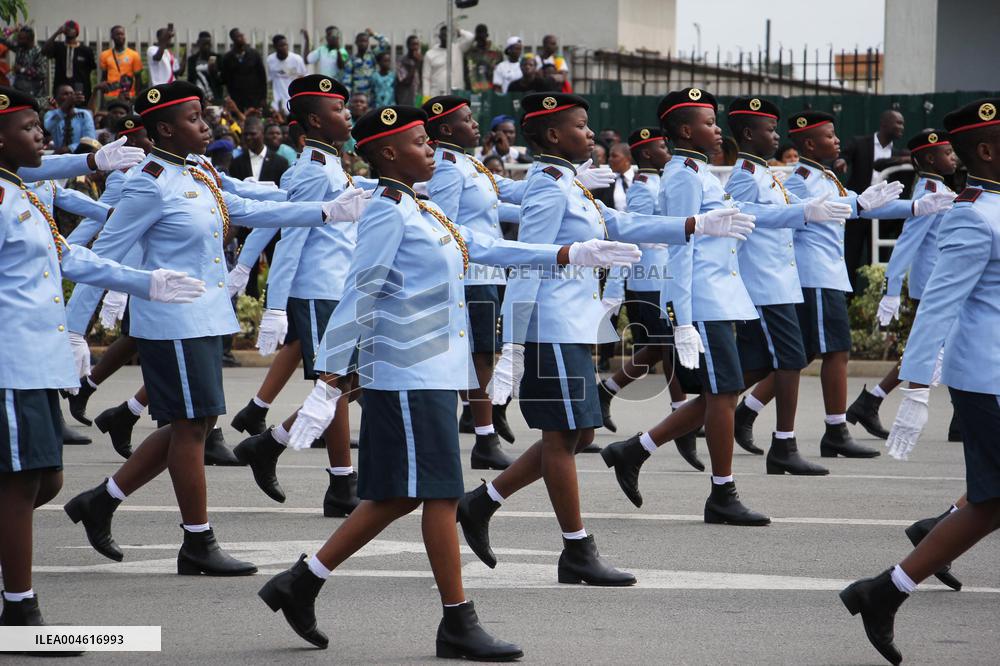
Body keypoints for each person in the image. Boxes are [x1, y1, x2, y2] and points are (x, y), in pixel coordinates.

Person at [256, 102, 637, 660]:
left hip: (431, 370)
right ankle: (457, 621)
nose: (432, 148)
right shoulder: (389, 210)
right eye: (420, 142)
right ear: (388, 153)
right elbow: (359, 291)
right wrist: (328, 381)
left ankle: (302, 581)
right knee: (437, 496)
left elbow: (483, 247)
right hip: (407, 371)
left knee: (395, 498)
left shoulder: (423, 207)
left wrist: (568, 250)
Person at [61, 80, 368, 576]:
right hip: (171, 322)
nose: (207, 126)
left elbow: (247, 209)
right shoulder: (149, 181)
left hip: (205, 318)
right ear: (164, 129)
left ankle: (102, 500)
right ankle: (197, 542)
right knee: (189, 429)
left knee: (197, 424)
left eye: (205, 117)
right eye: (194, 120)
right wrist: (84, 324)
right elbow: (98, 256)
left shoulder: (198, 169)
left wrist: (325, 211)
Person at [457, 92, 757, 581]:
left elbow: (619, 222)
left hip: (573, 325)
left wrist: (694, 223)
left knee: (581, 432)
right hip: (549, 327)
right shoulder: (550, 186)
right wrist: (513, 343)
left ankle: (481, 502)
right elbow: (528, 258)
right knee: (562, 436)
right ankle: (576, 550)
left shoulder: (567, 182)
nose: (591, 133)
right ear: (553, 135)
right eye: (581, 125)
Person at [598, 89, 860, 521]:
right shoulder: (683, 175)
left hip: (719, 297)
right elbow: (679, 246)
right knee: (721, 396)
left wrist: (820, 211)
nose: (717, 128)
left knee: (723, 392)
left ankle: (634, 450)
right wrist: (680, 319)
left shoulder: (699, 172)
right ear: (685, 130)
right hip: (701, 299)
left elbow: (739, 223)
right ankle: (722, 494)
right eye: (708, 122)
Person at [0, 84, 200, 635]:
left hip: (37, 361)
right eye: (26, 127)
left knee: (47, 484)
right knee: (18, 487)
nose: (40, 134)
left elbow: (72, 260)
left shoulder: (22, 193)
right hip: (9, 364)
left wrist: (147, 283)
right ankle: (20, 610)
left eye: (40, 125)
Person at [838, 97, 999, 666]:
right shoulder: (972, 215)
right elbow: (938, 308)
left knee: (990, 500)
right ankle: (886, 588)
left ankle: (884, 590)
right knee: (991, 500)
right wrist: (913, 392)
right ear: (986, 150)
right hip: (987, 378)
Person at [733, 111, 953, 461]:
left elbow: (860, 207)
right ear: (808, 143)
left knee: (802, 355)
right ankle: (835, 429)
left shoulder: (826, 176)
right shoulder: (801, 178)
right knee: (836, 351)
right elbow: (792, 212)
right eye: (830, 136)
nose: (837, 141)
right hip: (813, 274)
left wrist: (913, 206)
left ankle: (746, 410)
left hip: (827, 273)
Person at [232, 75, 370, 517]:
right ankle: (341, 484)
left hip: (338, 288)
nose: (347, 115)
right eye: (338, 110)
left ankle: (269, 445)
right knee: (336, 384)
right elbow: (288, 236)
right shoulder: (312, 169)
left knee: (348, 384)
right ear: (313, 120)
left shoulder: (330, 164)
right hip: (317, 291)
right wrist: (275, 306)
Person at [422, 95, 534, 464]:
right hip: (471, 276)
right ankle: (485, 441)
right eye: (467, 119)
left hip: (489, 272)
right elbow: (444, 223)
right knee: (481, 355)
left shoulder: (469, 163)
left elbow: (497, 200)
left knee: (484, 354)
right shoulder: (447, 168)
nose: (475, 125)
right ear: (444, 129)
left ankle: (482, 432)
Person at [595, 127, 702, 469]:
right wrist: (614, 289)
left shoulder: (658, 179)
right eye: (659, 146)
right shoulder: (642, 186)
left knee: (661, 345)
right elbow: (634, 234)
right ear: (645, 154)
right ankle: (678, 409)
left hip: (662, 276)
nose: (666, 149)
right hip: (647, 279)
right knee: (665, 343)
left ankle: (609, 390)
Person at [844, 130, 958, 440]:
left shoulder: (937, 188)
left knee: (944, 347)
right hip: (934, 285)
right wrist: (891, 290)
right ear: (929, 159)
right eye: (948, 153)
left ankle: (872, 401)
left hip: (941, 283)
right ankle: (874, 402)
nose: (954, 157)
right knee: (932, 349)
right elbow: (906, 244)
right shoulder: (928, 194)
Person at [837, 109, 909, 291]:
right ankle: (848, 300)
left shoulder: (900, 153)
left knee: (878, 258)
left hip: (883, 213)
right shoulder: (860, 143)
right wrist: (842, 161)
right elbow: (844, 156)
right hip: (859, 209)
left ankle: (876, 297)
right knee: (851, 256)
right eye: (898, 122)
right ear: (884, 124)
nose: (902, 127)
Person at [41, 20, 97, 104]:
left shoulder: (86, 50)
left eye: (72, 28)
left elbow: (92, 67)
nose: (70, 30)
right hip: (61, 87)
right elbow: (44, 51)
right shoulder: (58, 47)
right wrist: (57, 33)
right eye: (68, 28)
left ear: (77, 31)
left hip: (80, 88)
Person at [230, 116, 289, 184]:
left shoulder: (280, 162)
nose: (248, 137)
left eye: (253, 134)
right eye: (246, 134)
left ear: (262, 134)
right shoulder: (237, 163)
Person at [221, 28, 268, 112]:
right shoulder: (228, 58)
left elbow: (262, 76)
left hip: (253, 98)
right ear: (233, 39)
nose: (242, 38)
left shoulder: (254, 54)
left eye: (242, 35)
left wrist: (263, 97)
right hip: (237, 98)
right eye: (239, 36)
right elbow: (225, 79)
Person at [422, 25, 473, 98]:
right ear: (439, 36)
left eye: (448, 35)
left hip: (456, 93)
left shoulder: (458, 48)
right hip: (436, 94)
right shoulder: (430, 54)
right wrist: (426, 96)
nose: (445, 37)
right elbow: (426, 78)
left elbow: (470, 37)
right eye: (443, 35)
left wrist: (458, 30)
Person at [43, 83, 96, 153]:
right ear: (56, 98)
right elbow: (48, 126)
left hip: (80, 155)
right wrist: (64, 108)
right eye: (65, 94)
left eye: (71, 94)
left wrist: (69, 148)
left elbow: (90, 140)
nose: (70, 96)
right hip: (59, 157)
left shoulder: (84, 114)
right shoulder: (51, 114)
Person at [98, 25, 143, 103]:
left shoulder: (134, 55)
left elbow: (138, 78)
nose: (120, 36)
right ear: (112, 36)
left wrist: (136, 96)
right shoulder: (104, 55)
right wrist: (103, 95)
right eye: (117, 34)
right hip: (110, 96)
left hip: (127, 95)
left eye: (122, 34)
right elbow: (104, 77)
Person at [342, 29, 389, 99]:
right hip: (358, 98)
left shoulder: (372, 55)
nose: (363, 43)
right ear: (356, 42)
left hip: (372, 96)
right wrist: (347, 100)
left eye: (365, 41)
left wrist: (373, 34)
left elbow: (385, 43)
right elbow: (347, 82)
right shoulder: (351, 60)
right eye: (361, 41)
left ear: (368, 43)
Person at [267, 34, 307, 113]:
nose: (284, 48)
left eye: (285, 45)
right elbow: (269, 79)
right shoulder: (270, 60)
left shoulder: (297, 59)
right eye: (281, 45)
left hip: (293, 98)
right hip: (278, 100)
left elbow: (303, 77)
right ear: (275, 47)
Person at [5, 27, 47, 104]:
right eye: (18, 37)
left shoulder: (38, 52)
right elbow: (3, 40)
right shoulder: (19, 48)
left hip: (34, 94)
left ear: (29, 40)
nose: (18, 40)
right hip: (18, 90)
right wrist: (12, 31)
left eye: (21, 38)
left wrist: (22, 70)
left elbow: (42, 73)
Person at [187, 31, 223, 104]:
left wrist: (214, 71)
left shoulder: (217, 58)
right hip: (197, 96)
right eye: (204, 44)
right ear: (198, 43)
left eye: (209, 44)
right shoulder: (192, 60)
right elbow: (190, 79)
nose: (207, 47)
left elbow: (222, 80)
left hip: (214, 96)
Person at [464, 24, 500, 93]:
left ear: (487, 36)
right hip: (473, 91)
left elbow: (500, 72)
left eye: (482, 38)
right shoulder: (469, 54)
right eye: (478, 38)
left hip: (491, 91)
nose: (480, 40)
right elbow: (466, 74)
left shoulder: (496, 53)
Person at [395, 35, 423, 106]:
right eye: (413, 44)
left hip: (418, 97)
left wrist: (421, 63)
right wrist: (416, 64)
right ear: (408, 46)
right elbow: (406, 81)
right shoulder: (401, 61)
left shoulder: (422, 60)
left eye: (417, 45)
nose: (415, 47)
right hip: (405, 99)